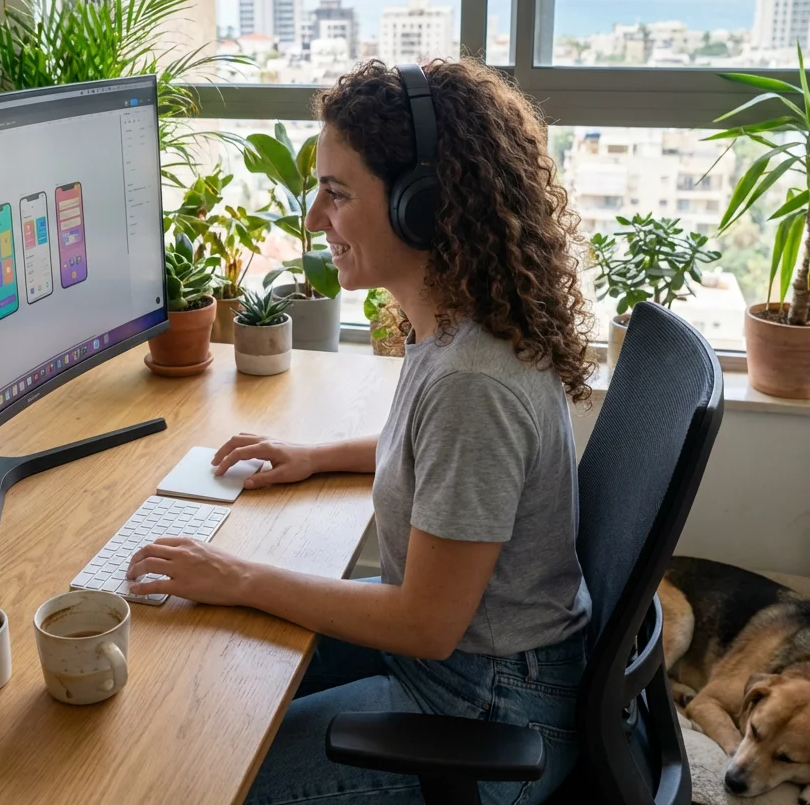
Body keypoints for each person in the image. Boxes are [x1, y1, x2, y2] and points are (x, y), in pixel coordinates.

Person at [128, 58, 595, 805]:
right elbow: (432, 455)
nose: (314, 220)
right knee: (214, 668)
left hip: (488, 709)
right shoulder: (454, 322)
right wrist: (313, 457)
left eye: (336, 194)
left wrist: (239, 577)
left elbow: (425, 623)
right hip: (477, 664)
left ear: (424, 205)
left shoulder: (473, 380)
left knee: (200, 776)